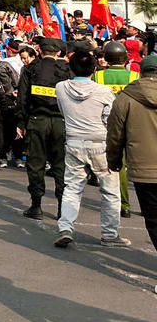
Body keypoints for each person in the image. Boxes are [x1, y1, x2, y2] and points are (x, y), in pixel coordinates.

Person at [54, 48, 127, 248]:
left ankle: (66, 227)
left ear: (71, 68)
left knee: (72, 188)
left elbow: (62, 111)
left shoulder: (61, 88)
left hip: (74, 142)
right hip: (100, 144)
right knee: (110, 191)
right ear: (94, 69)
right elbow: (109, 120)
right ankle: (110, 234)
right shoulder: (103, 91)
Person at [106, 54, 157, 277]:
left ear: (141, 72)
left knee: (154, 219)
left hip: (145, 170)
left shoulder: (125, 98)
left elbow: (115, 135)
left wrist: (114, 161)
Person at [16, 37, 71, 220]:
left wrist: (21, 123)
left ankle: (36, 205)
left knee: (36, 163)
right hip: (60, 121)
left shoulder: (30, 69)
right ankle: (62, 207)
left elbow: (22, 98)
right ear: (58, 53)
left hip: (37, 120)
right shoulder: (66, 70)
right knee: (60, 165)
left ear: (40, 52)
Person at [95, 41, 135, 217]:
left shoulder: (99, 76)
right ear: (126, 58)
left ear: (106, 58)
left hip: (108, 126)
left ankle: (117, 203)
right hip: (131, 125)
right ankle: (126, 205)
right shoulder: (134, 76)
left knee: (114, 167)